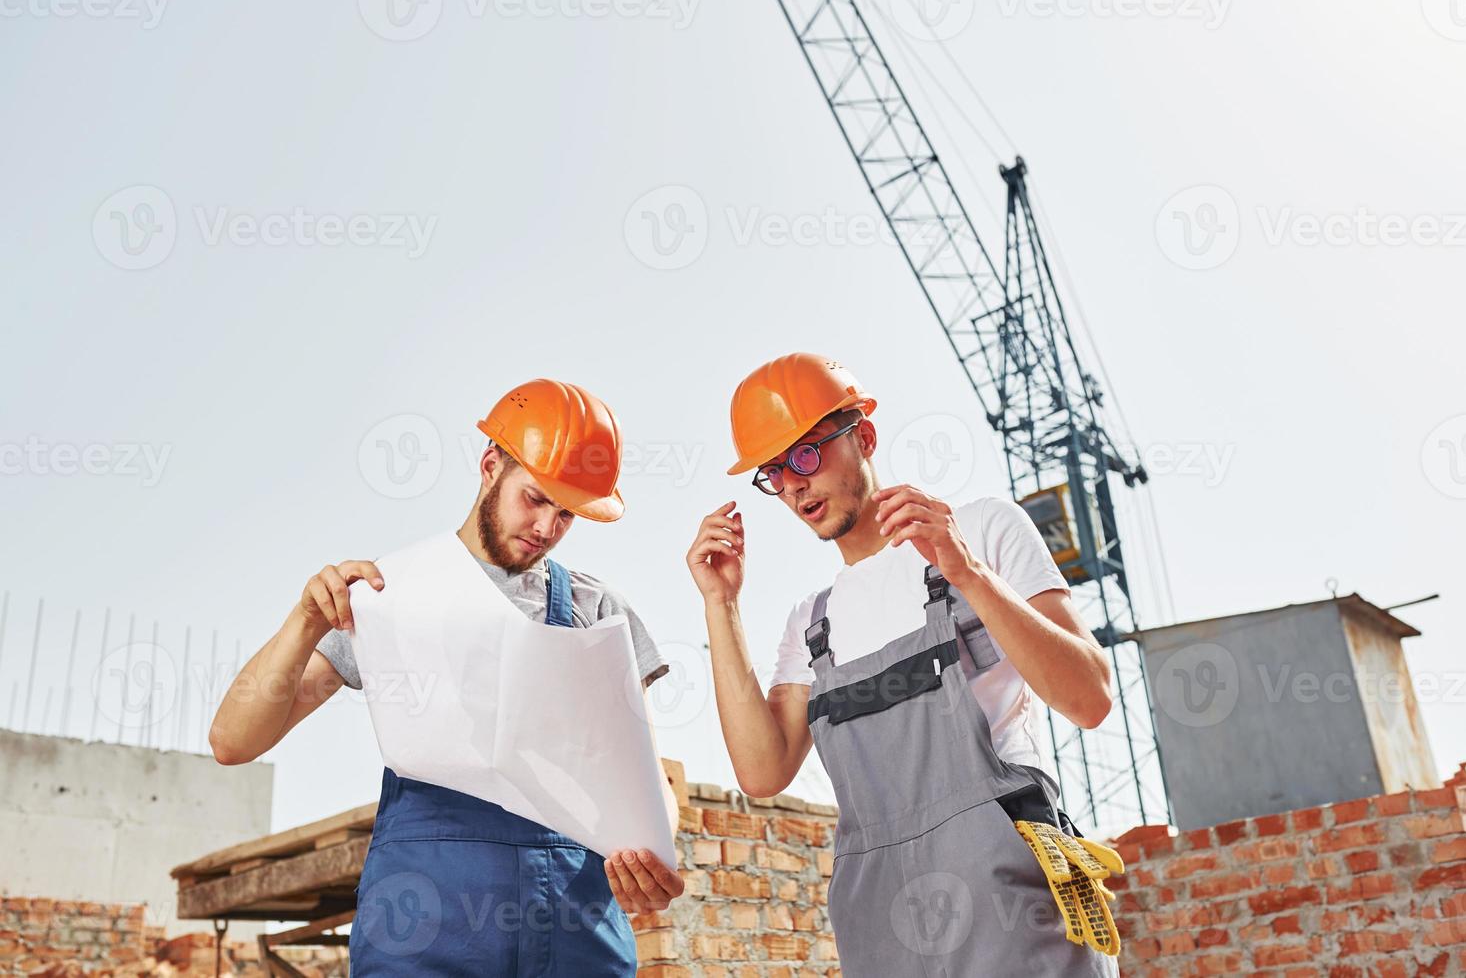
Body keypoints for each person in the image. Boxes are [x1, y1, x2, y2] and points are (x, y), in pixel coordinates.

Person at [210, 378, 685, 976]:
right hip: (425, 931)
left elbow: (646, 776)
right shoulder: (387, 593)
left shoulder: (598, 610)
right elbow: (233, 741)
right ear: (490, 466)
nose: (546, 527)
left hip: (574, 926)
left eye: (567, 514)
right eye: (535, 499)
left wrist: (652, 852)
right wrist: (303, 624)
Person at [686, 352, 1125, 976]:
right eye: (774, 472)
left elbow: (1091, 697)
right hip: (881, 921)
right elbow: (762, 771)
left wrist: (966, 572)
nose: (793, 485)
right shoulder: (815, 623)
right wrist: (720, 604)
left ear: (862, 436)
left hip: (1011, 907)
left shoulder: (980, 529)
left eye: (805, 455)